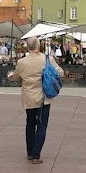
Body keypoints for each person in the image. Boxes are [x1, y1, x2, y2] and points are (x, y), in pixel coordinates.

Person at [11, 36, 63, 164]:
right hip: (44, 97)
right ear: (38, 46)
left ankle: (29, 152)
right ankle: (36, 155)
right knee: (41, 125)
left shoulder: (21, 62)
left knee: (30, 124)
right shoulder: (47, 60)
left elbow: (16, 77)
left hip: (29, 97)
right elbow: (60, 73)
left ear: (27, 47)